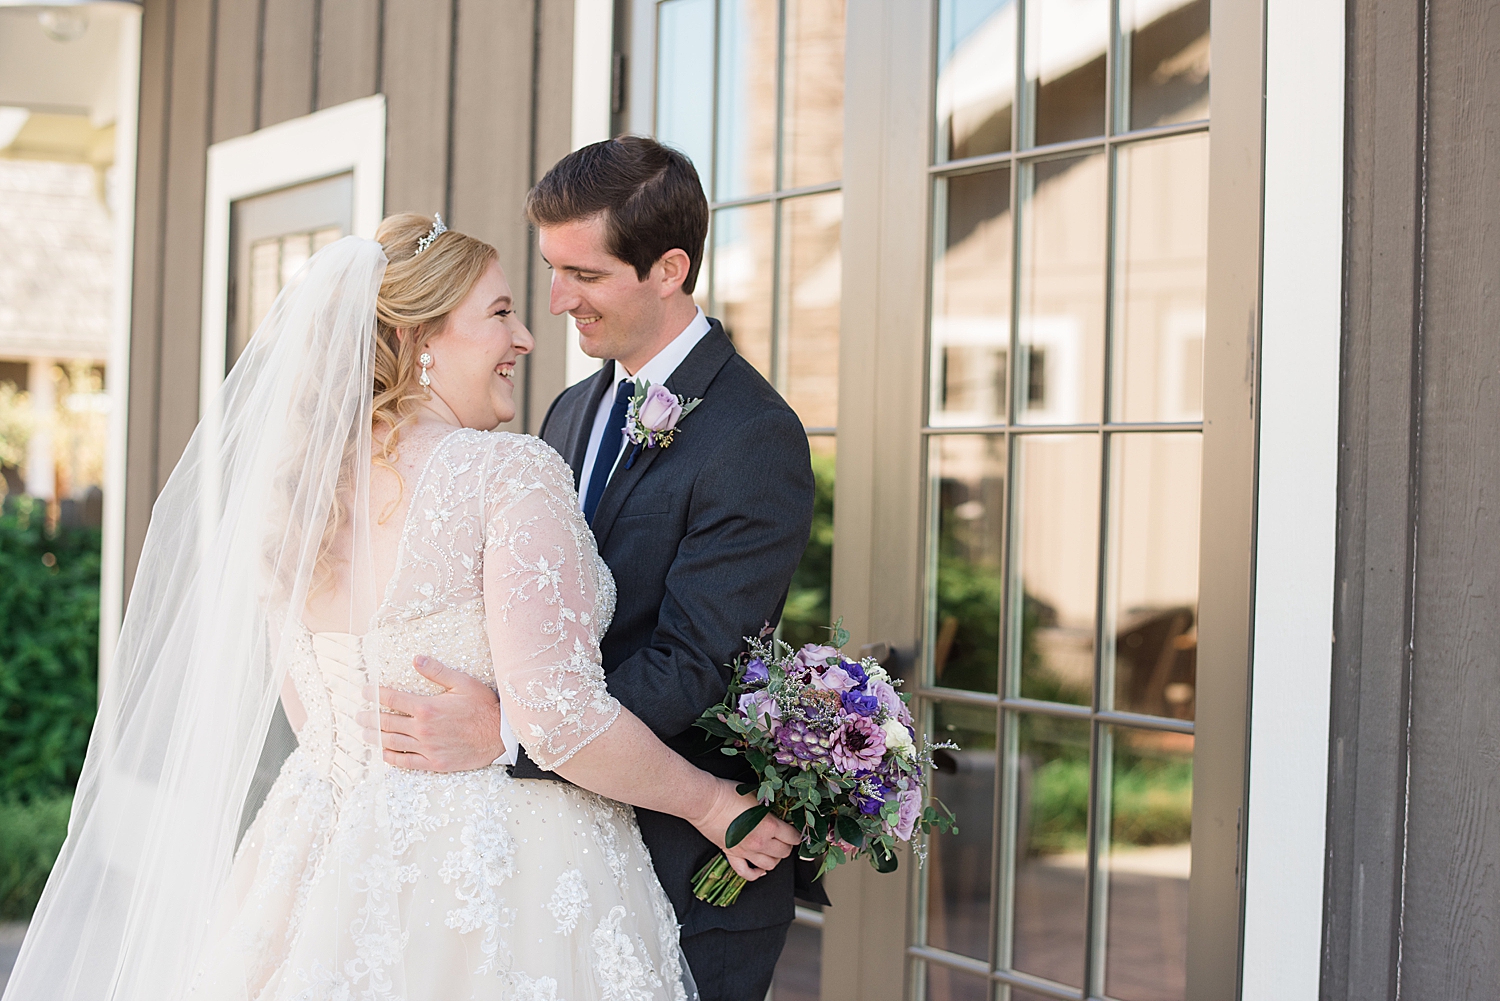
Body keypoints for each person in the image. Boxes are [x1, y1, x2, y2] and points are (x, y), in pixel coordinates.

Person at [4, 215, 797, 1001]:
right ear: (422, 340)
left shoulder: (296, 494)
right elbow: (561, 719)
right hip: (496, 868)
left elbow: (314, 717)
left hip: (317, 856)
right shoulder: (507, 472)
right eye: (499, 314)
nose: (526, 336)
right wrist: (710, 802)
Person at [368, 137, 826, 1001]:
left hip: (688, 868)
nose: (555, 301)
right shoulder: (569, 408)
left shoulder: (754, 435)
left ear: (669, 268)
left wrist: (508, 732)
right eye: (550, 268)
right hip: (542, 865)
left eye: (584, 273)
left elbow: (693, 663)